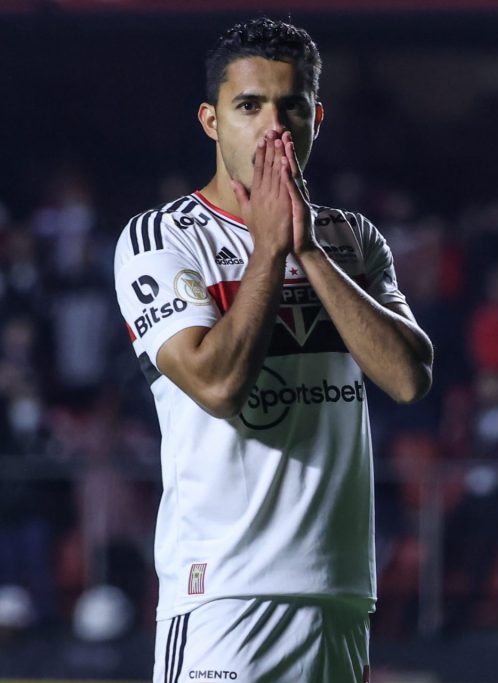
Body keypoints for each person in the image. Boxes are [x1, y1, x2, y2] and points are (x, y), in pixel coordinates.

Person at [112, 18, 433, 683]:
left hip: (339, 590)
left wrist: (307, 249)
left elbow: (408, 376)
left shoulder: (353, 240)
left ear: (317, 117)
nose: (273, 126)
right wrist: (269, 250)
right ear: (211, 120)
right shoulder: (160, 239)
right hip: (225, 595)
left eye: (291, 106)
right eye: (249, 105)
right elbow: (218, 384)